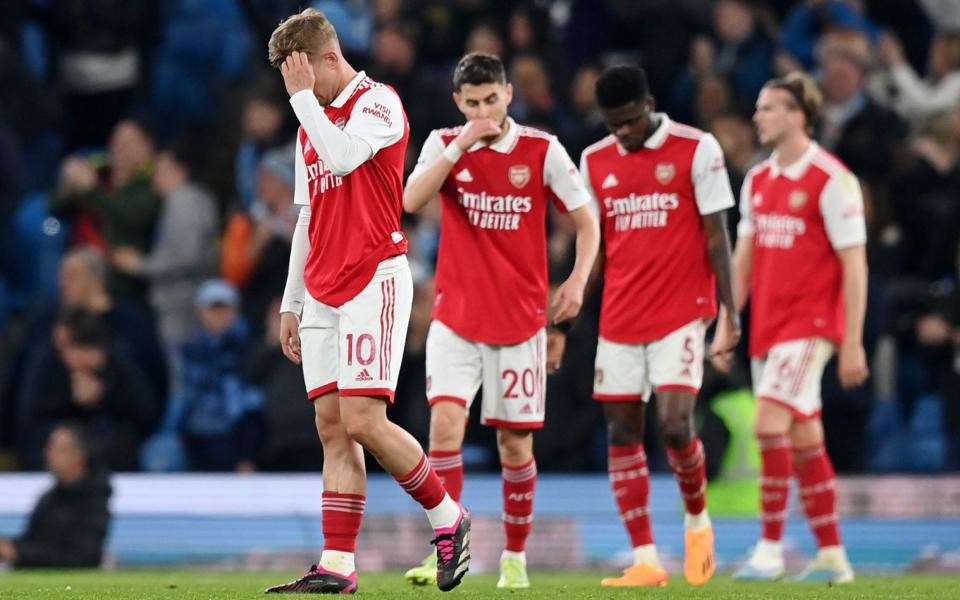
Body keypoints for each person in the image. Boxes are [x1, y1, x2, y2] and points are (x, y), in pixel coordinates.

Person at [265, 9, 470, 594]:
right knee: (331, 426)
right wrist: (291, 301)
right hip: (323, 286)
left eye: (299, 76)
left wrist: (304, 102)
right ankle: (337, 564)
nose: (294, 91)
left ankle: (447, 516)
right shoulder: (312, 118)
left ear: (328, 59)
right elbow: (307, 218)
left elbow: (344, 158)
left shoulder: (377, 102)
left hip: (372, 277)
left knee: (363, 419)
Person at [401, 52, 600, 589]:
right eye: (472, 104)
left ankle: (514, 556)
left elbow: (587, 221)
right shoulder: (445, 143)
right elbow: (412, 199)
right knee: (443, 427)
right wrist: (462, 143)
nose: (484, 111)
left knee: (515, 445)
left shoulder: (541, 149)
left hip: (520, 323)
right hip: (456, 317)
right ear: (458, 104)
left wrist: (577, 280)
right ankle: (446, 548)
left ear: (509, 94)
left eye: (492, 100)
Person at [581, 64, 739, 588]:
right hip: (621, 315)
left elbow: (718, 237)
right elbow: (596, 244)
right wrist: (571, 296)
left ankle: (698, 526)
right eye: (612, 124)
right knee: (622, 431)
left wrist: (730, 316)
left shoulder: (698, 149)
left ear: (649, 105)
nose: (621, 133)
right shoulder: (595, 159)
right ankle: (646, 558)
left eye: (629, 121)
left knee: (674, 425)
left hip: (682, 312)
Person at [712, 72, 868, 583]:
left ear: (799, 114)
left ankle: (770, 550)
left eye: (769, 108)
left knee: (768, 425)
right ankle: (832, 556)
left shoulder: (831, 178)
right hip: (769, 328)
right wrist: (727, 322)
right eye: (758, 108)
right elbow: (744, 261)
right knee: (804, 436)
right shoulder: (757, 179)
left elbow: (855, 265)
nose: (758, 117)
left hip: (812, 324)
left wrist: (851, 342)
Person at [0, 423, 111, 568]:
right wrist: (9, 547)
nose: (48, 453)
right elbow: (32, 540)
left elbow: (83, 556)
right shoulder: (48, 497)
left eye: (56, 448)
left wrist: (19, 553)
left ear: (78, 456)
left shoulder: (94, 499)